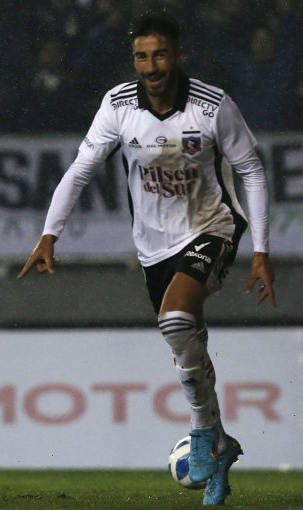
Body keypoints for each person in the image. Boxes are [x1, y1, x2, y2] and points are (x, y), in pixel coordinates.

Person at [17, 12, 276, 506]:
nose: (151, 65)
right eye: (142, 56)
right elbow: (79, 170)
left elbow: (253, 173)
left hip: (212, 227)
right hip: (152, 245)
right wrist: (50, 234)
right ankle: (219, 443)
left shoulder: (213, 106)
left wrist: (262, 251)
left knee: (177, 318)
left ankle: (202, 433)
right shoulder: (117, 105)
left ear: (178, 55)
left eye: (160, 54)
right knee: (184, 341)